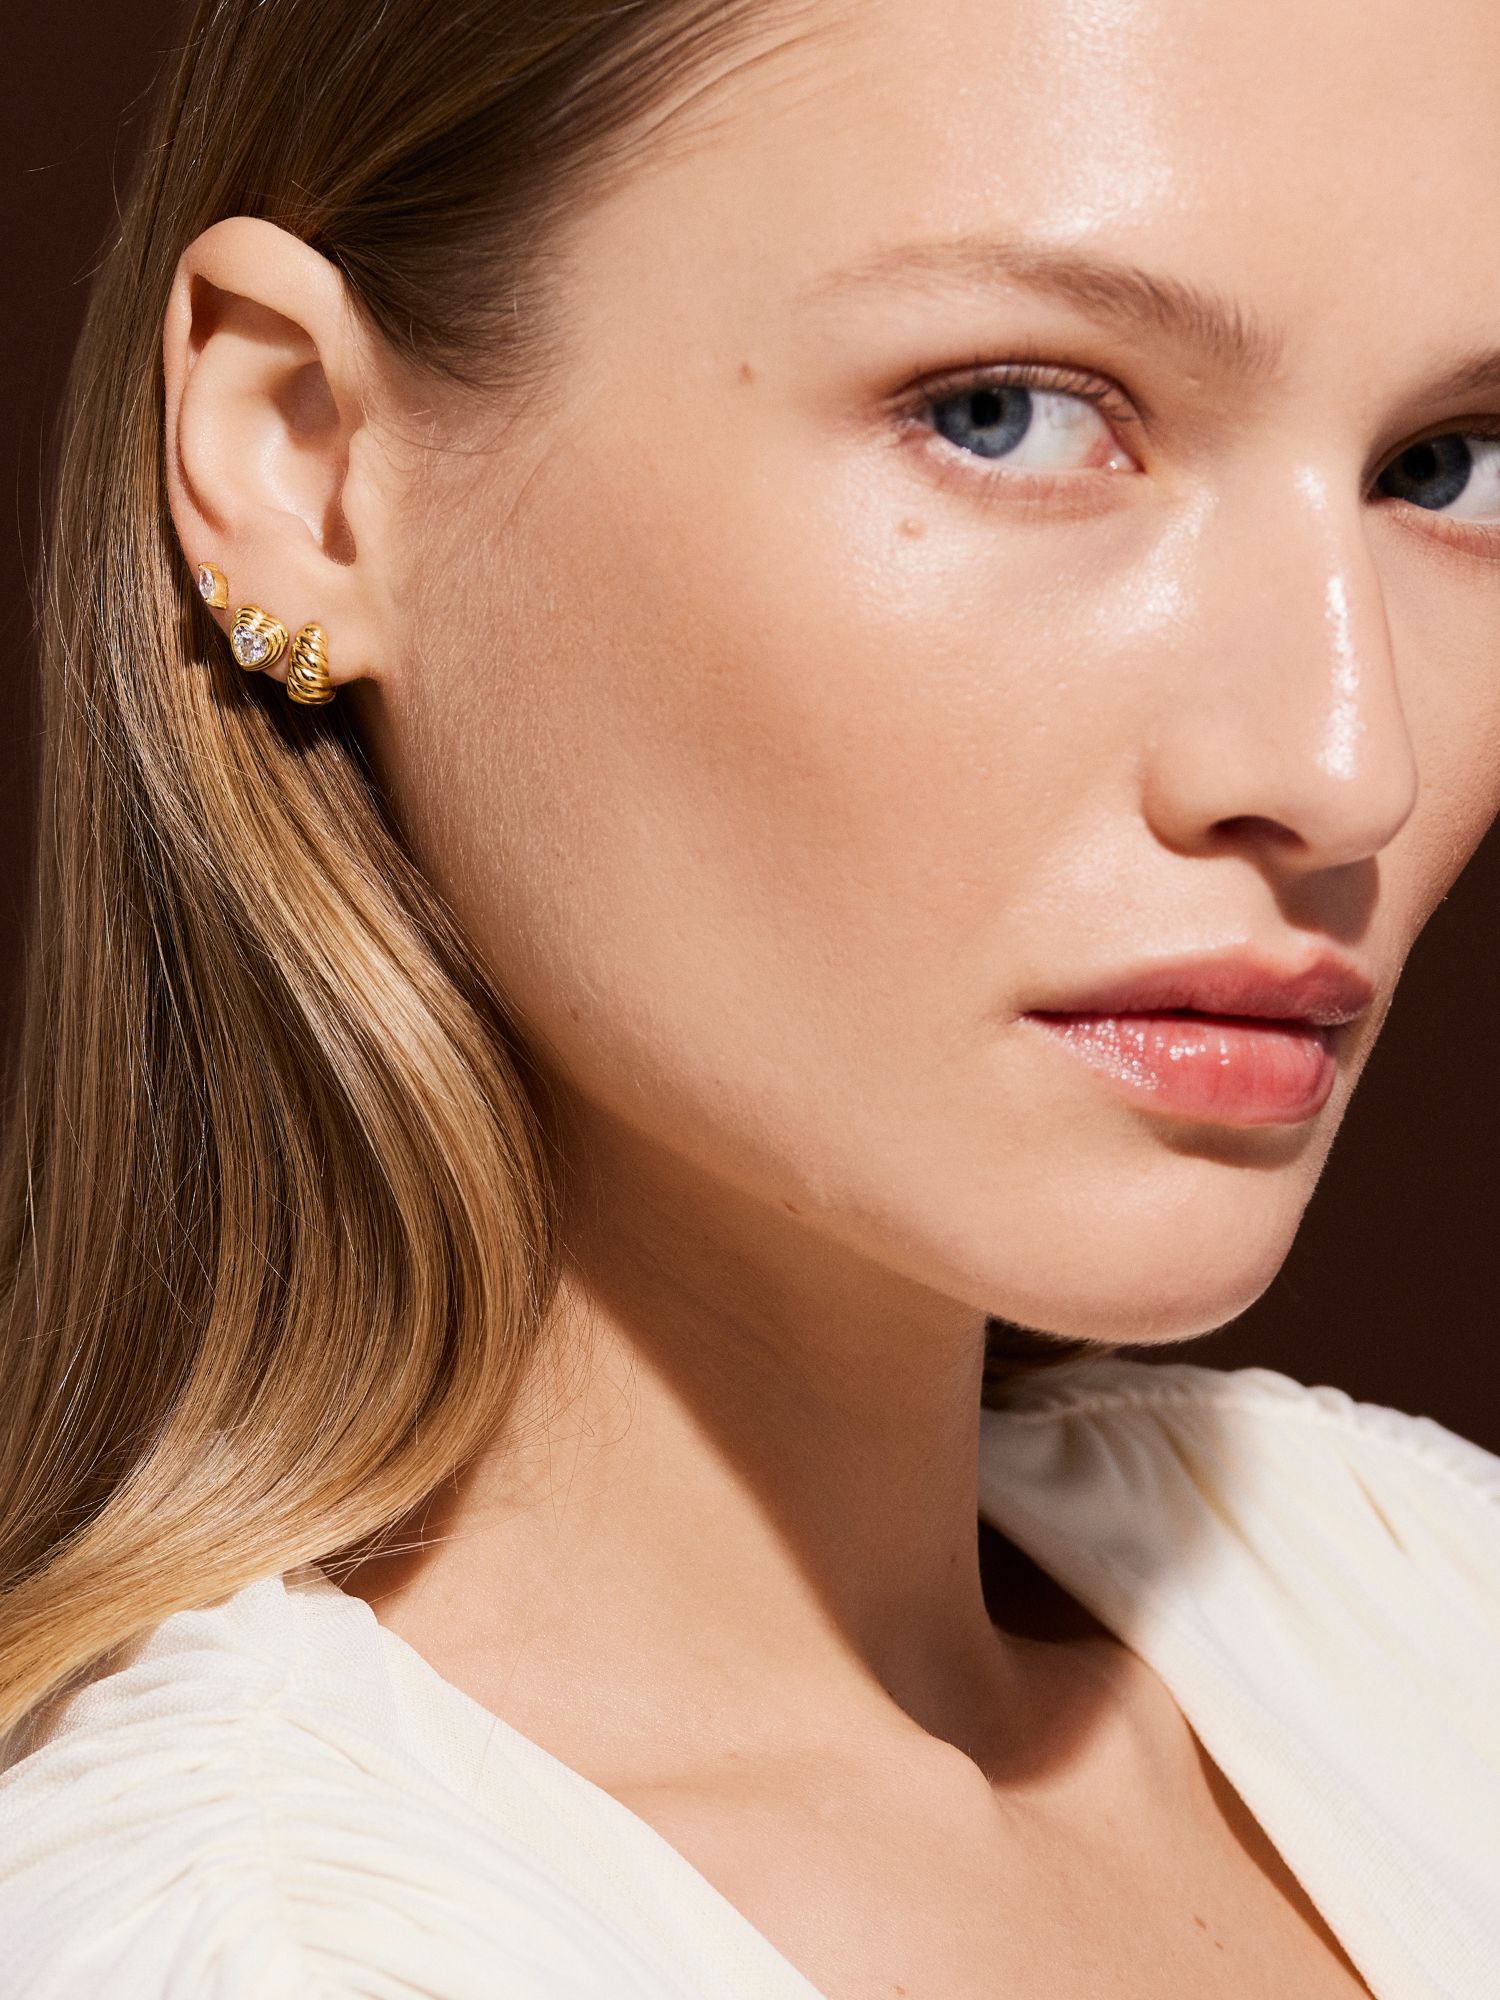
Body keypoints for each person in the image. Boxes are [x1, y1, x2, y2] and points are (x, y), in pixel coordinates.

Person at [2, 0, 1499, 1992]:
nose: (1345, 762)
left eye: (1450, 465)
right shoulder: (259, 1949)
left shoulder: (1414, 1604)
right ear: (306, 460)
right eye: (1009, 413)